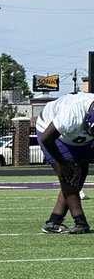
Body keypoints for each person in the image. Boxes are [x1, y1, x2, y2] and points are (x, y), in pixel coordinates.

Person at [36, 92, 94, 234]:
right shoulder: (72, 112)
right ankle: (80, 221)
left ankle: (53, 222)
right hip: (51, 133)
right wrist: (62, 163)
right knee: (68, 177)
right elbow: (46, 139)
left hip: (78, 137)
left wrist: (81, 164)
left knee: (79, 176)